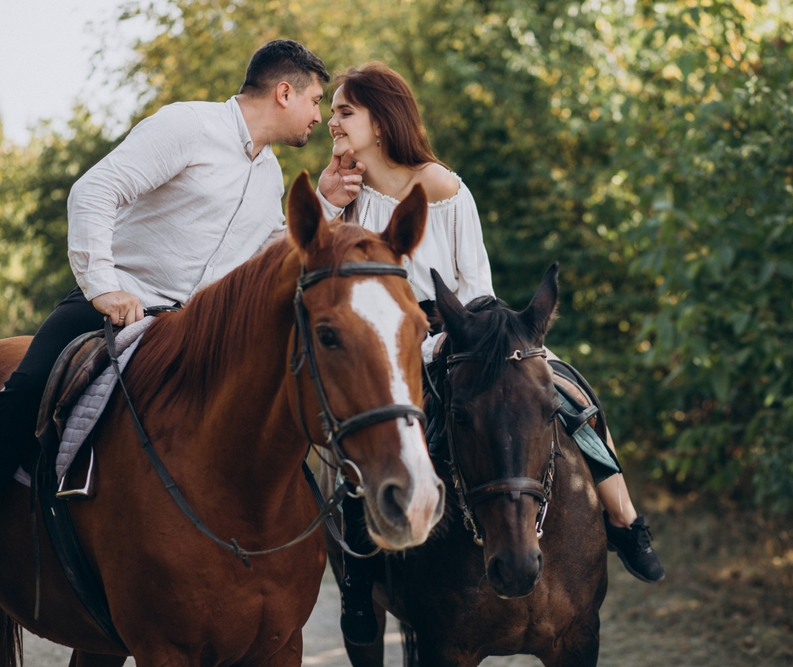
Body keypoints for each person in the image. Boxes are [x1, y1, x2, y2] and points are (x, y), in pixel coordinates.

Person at [315, 62, 664, 647]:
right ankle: (359, 582)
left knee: (567, 395)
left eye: (345, 110)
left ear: (382, 119)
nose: (333, 120)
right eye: (332, 111)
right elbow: (315, 268)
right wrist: (326, 203)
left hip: (467, 332)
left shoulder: (445, 187)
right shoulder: (346, 196)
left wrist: (462, 337)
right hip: (389, 346)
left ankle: (626, 521)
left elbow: (474, 280)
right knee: (366, 445)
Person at [0, 40, 363, 493]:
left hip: (194, 334)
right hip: (115, 308)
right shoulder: (187, 125)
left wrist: (325, 203)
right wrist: (104, 287)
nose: (318, 116)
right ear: (284, 93)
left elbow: (268, 257)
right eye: (314, 102)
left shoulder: (269, 173)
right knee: (26, 390)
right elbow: (93, 191)